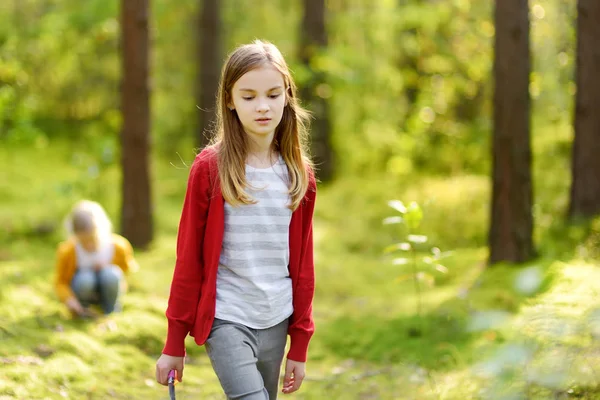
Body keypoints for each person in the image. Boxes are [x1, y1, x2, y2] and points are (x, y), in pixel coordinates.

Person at [155, 40, 317, 399]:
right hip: (226, 317)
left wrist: (300, 343)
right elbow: (189, 260)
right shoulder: (210, 169)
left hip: (276, 317)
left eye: (273, 94)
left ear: (287, 96)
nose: (263, 106)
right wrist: (173, 342)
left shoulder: (298, 174)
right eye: (248, 96)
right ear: (229, 99)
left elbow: (303, 266)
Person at [54, 200, 139, 317]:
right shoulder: (67, 251)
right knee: (85, 279)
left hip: (108, 290)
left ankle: (112, 311)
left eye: (92, 239)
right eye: (83, 242)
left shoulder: (118, 246)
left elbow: (127, 270)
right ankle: (83, 311)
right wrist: (69, 300)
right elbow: (60, 282)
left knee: (111, 274)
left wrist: (107, 267)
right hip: (82, 290)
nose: (89, 245)